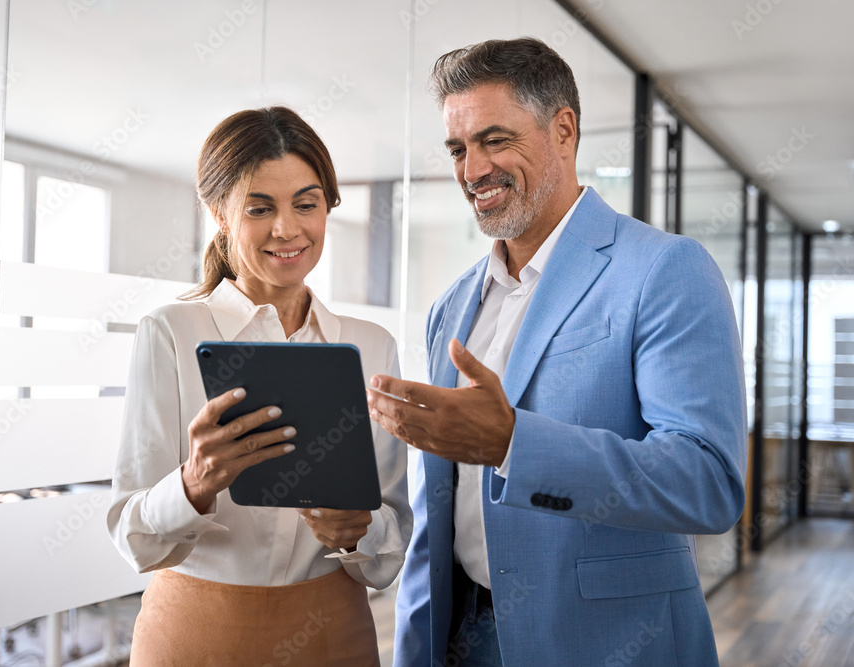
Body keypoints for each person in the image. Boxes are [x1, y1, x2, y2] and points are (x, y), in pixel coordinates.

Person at [367, 38, 747, 666]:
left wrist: (512, 443)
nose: (472, 170)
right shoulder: (451, 306)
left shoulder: (664, 269)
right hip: (461, 637)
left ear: (563, 130)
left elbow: (707, 482)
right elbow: (439, 518)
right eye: (458, 149)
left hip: (603, 642)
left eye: (495, 140)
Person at [108, 106, 411, 666]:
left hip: (331, 638)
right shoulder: (171, 332)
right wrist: (194, 483)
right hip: (195, 637)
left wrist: (358, 530)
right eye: (259, 208)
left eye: (306, 204)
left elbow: (387, 556)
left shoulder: (372, 346)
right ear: (218, 213)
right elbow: (133, 539)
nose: (287, 229)